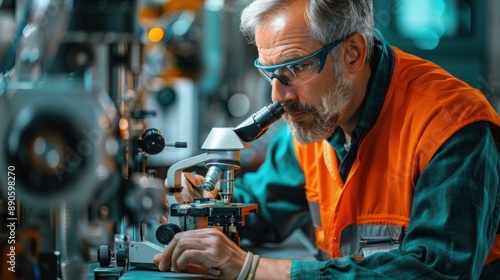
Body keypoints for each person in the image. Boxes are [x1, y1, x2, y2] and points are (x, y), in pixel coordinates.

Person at [154, 0, 500, 279]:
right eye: (270, 72)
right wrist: (206, 203)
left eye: (295, 68)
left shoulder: (451, 126)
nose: (278, 95)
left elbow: (435, 271)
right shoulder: (317, 119)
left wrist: (255, 270)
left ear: (352, 54)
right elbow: (265, 205)